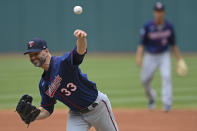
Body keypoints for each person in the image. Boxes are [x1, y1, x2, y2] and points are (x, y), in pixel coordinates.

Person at [24, 29, 119, 131]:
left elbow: (79, 52)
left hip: (98, 108)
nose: (33, 57)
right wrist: (32, 115)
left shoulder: (62, 63)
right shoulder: (43, 84)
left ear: (46, 51)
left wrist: (81, 39)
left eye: (36, 54)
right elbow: (46, 109)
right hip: (76, 115)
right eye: (31, 55)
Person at [136, 2, 186, 112]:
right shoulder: (148, 26)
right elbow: (141, 44)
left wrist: (180, 60)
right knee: (145, 80)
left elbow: (174, 45)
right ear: (154, 13)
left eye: (160, 11)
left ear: (163, 12)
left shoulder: (169, 26)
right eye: (157, 11)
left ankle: (167, 103)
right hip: (150, 56)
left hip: (164, 55)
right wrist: (139, 57)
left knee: (167, 76)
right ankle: (151, 98)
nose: (159, 14)